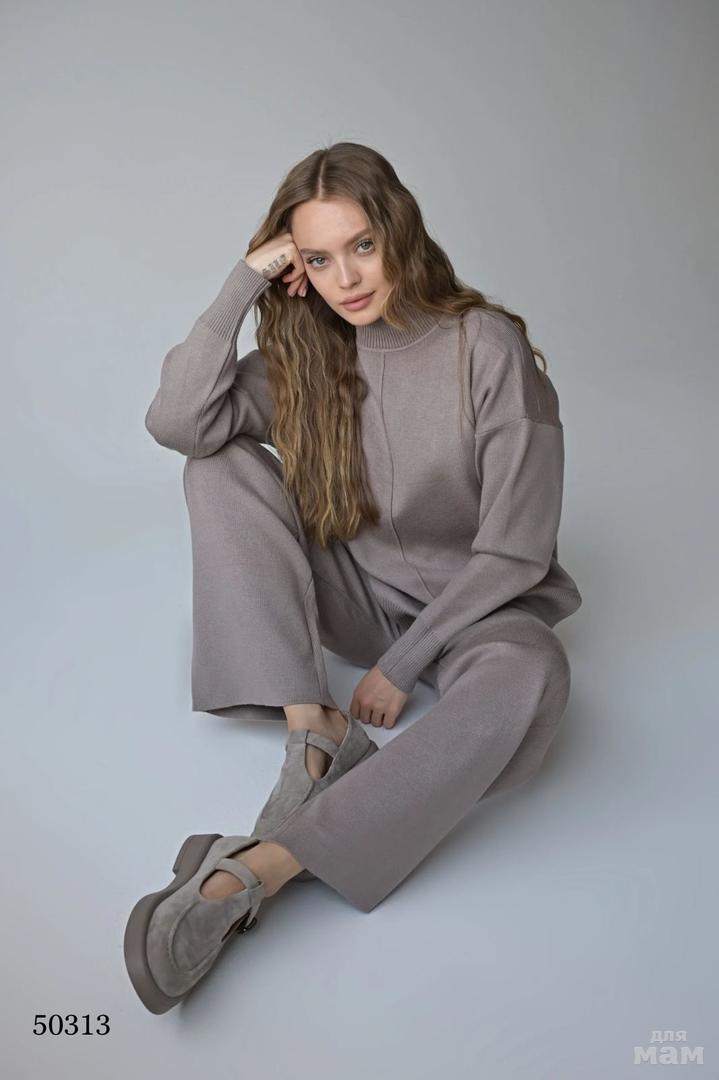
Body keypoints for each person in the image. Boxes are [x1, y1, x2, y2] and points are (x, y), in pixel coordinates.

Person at [124, 141, 583, 1014]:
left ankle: (257, 869)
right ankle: (316, 730)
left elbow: (515, 553)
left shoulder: (483, 347)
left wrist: (401, 666)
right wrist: (243, 282)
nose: (347, 279)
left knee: (534, 672)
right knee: (216, 464)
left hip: (476, 614)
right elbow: (179, 423)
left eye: (361, 246)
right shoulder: (310, 353)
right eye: (319, 257)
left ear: (398, 231)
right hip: (356, 595)